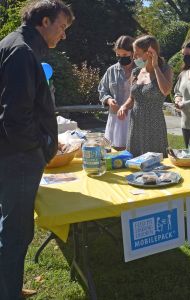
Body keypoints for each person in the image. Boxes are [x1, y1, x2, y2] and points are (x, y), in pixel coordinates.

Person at [0, 1, 74, 299]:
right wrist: (42, 146)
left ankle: (9, 286)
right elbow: (16, 117)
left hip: (13, 153)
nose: (63, 35)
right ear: (45, 22)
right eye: (62, 27)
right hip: (17, 156)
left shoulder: (15, 44)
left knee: (13, 228)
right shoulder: (21, 51)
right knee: (16, 232)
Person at [117, 35, 173, 157]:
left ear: (149, 53)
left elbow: (166, 91)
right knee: (134, 161)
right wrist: (124, 107)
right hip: (136, 123)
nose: (134, 58)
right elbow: (132, 98)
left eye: (137, 54)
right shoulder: (136, 72)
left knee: (154, 163)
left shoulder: (165, 69)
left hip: (154, 124)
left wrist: (155, 66)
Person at [98, 35, 135, 150]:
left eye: (125, 55)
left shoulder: (141, 69)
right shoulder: (111, 70)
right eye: (118, 55)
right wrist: (108, 100)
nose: (121, 58)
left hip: (135, 117)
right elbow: (102, 89)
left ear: (133, 53)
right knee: (115, 150)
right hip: (116, 117)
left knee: (134, 150)